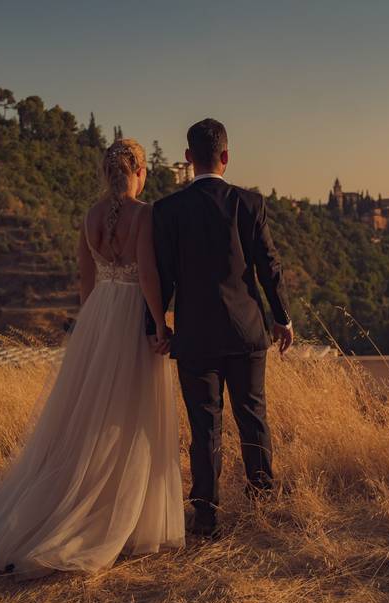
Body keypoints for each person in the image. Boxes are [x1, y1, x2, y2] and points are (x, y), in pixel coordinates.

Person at [0, 139, 185, 578]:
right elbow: (147, 273)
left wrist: (91, 327)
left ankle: (77, 497)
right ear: (139, 172)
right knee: (129, 414)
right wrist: (160, 323)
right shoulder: (146, 214)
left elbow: (86, 280)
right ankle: (121, 515)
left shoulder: (89, 217)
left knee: (85, 416)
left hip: (99, 314)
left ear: (107, 174)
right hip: (128, 315)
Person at [146, 118, 292, 538]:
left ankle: (206, 515)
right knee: (253, 416)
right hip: (247, 333)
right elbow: (269, 267)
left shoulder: (167, 211)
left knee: (204, 427)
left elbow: (162, 275)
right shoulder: (250, 204)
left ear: (188, 158)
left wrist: (156, 327)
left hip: (194, 338)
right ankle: (262, 499)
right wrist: (282, 318)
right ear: (226, 157)